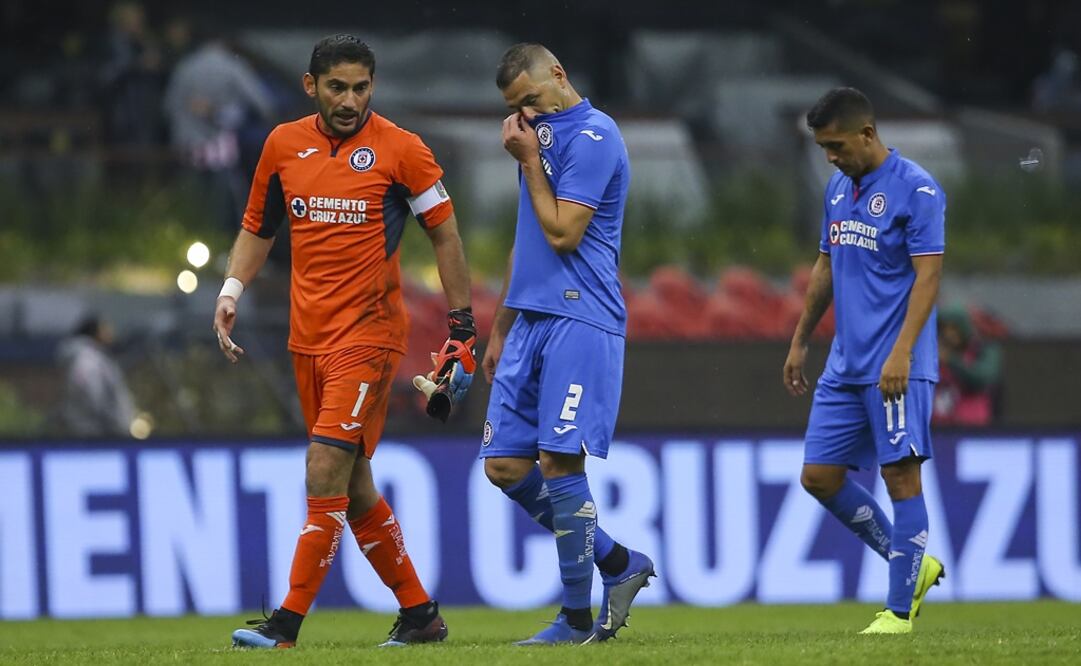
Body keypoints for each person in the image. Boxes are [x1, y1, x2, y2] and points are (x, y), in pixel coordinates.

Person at [214, 35, 475, 649]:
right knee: (354, 487)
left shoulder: (403, 150)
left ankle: (285, 627)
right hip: (308, 340)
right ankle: (420, 617)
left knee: (324, 467)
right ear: (311, 86)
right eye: (337, 87)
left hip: (370, 336)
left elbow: (445, 234)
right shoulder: (281, 145)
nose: (350, 100)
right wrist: (230, 289)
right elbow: (259, 227)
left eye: (361, 88)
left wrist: (461, 323)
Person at [480, 43, 655, 646]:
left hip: (582, 319)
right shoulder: (538, 139)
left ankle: (576, 619)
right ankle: (616, 562)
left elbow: (562, 232)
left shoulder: (595, 136)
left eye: (530, 100)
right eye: (514, 108)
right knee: (504, 465)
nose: (526, 115)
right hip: (530, 319)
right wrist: (500, 325)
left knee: (558, 463)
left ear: (559, 73)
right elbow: (527, 235)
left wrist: (528, 160)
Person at [783, 87, 947, 634]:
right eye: (823, 148)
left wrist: (902, 351)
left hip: (895, 364)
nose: (830, 156)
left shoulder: (917, 189)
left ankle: (899, 613)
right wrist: (801, 338)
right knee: (819, 477)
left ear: (867, 134)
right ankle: (912, 564)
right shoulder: (837, 188)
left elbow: (928, 276)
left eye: (836, 145)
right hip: (845, 365)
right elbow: (826, 266)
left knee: (900, 478)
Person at [57, 315, 136, 438]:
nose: (110, 332)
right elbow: (92, 396)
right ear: (95, 332)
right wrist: (112, 423)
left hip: (102, 432)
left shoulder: (97, 358)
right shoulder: (86, 359)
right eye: (105, 329)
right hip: (96, 434)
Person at [933, 305, 1002, 426]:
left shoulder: (981, 349)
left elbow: (982, 378)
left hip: (971, 426)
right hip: (938, 426)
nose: (948, 335)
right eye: (944, 329)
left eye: (954, 329)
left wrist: (951, 360)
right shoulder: (932, 353)